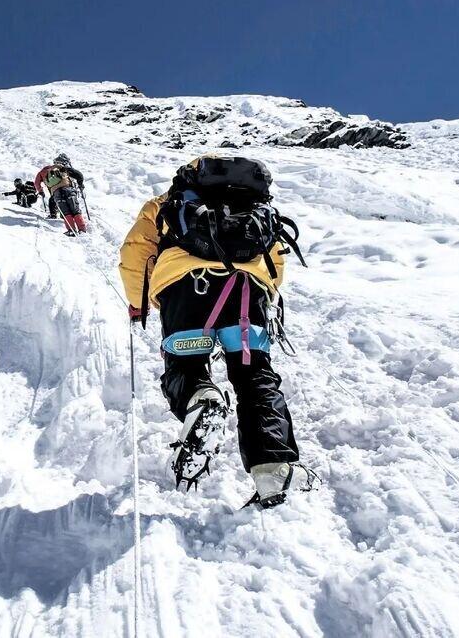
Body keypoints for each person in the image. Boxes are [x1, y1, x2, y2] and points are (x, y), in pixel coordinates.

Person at [118, 155, 314, 508]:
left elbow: (135, 254)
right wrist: (263, 293)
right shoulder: (255, 206)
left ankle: (200, 398)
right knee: (255, 375)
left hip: (184, 288)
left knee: (186, 364)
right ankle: (273, 468)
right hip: (246, 292)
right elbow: (275, 260)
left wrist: (139, 303)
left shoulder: (167, 203)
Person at [35, 153, 87, 235]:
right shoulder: (61, 168)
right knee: (75, 210)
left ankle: (71, 230)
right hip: (69, 189)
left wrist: (41, 192)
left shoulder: (43, 172)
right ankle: (82, 229)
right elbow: (79, 175)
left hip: (56, 193)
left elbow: (37, 183)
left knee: (66, 212)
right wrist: (80, 184)